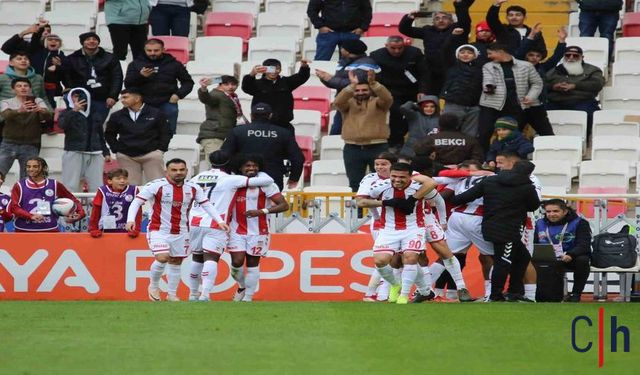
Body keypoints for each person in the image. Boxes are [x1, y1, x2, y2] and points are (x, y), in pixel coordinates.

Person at [125, 158, 230, 302]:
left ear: (186, 171)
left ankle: (172, 294)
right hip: (159, 229)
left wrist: (219, 221)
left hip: (181, 231)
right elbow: (137, 201)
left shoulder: (193, 188)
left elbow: (207, 205)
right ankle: (154, 285)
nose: (178, 173)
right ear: (166, 171)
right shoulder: (156, 186)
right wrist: (131, 219)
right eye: (174, 170)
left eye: (181, 170)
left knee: (176, 261)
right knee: (162, 257)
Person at [186, 150, 275, 302]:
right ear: (229, 164)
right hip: (216, 223)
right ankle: (205, 295)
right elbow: (267, 180)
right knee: (210, 259)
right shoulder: (230, 179)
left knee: (196, 258)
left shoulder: (196, 177)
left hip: (194, 221)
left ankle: (193, 294)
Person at [451, 159, 541, 301]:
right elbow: (533, 206)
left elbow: (465, 197)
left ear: (513, 167)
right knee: (503, 262)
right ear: (529, 173)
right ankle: (496, 295)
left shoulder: (490, 181)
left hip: (490, 225)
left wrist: (451, 198)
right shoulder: (527, 187)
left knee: (523, 257)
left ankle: (514, 292)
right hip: (509, 230)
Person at [357, 162, 438, 304]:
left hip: (413, 228)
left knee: (411, 257)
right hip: (388, 229)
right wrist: (386, 203)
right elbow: (361, 202)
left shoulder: (419, 187)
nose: (397, 180)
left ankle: (404, 295)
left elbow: (433, 187)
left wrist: (413, 199)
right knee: (380, 261)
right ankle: (397, 285)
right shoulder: (381, 186)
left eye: (402, 177)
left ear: (410, 177)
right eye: (394, 176)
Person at [227, 154, 289, 302]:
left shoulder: (266, 184)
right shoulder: (232, 183)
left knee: (253, 264)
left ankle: (248, 298)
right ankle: (242, 286)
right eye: (247, 166)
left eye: (254, 165)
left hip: (258, 231)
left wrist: (261, 211)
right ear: (240, 168)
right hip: (236, 230)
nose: (251, 168)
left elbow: (284, 205)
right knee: (237, 262)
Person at [437, 161, 495, 301]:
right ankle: (490, 293)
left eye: (470, 169)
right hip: (476, 218)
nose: (466, 171)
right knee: (490, 256)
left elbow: (442, 178)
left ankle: (427, 289)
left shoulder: (457, 179)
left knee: (448, 256)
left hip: (456, 218)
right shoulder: (491, 177)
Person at [221, 103, 304, 191]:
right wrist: (294, 178)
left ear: (251, 116)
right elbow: (298, 158)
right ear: (270, 115)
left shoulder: (237, 131)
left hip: (243, 178)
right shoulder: (283, 133)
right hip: (273, 179)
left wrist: (227, 174)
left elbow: (224, 156)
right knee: (273, 204)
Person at [495, 150, 542, 302]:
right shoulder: (504, 178)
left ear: (512, 163)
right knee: (512, 258)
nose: (498, 166)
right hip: (508, 221)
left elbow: (533, 203)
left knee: (525, 259)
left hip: (525, 222)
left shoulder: (532, 180)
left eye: (501, 163)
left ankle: (530, 296)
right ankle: (514, 293)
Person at [398, 0, 473, 94]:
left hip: (453, 70)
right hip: (432, 72)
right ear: (433, 22)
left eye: (444, 18)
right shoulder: (427, 30)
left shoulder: (457, 29)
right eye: (437, 19)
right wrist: (409, 18)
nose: (440, 20)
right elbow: (404, 29)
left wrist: (458, 5)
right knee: (432, 101)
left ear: (451, 21)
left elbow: (465, 20)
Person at [334, 70, 392, 192]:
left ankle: (381, 210)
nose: (361, 92)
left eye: (364, 90)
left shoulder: (378, 103)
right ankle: (358, 211)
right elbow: (338, 102)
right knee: (355, 183)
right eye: (357, 90)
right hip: (352, 148)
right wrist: (351, 86)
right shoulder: (347, 105)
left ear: (370, 91)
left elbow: (387, 98)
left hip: (378, 147)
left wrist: (374, 83)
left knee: (383, 182)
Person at [478, 42, 542, 153]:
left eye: (490, 53)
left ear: (500, 52)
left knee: (513, 135)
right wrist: (488, 87)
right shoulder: (488, 66)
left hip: (516, 106)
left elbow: (537, 83)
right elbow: (488, 80)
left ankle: (512, 158)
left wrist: (531, 96)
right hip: (491, 105)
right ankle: (483, 159)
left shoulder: (526, 66)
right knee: (484, 133)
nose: (488, 56)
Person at [124, 38, 194, 134]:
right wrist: (141, 76)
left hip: (167, 101)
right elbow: (128, 84)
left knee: (168, 133)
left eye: (156, 50)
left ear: (163, 50)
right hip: (143, 102)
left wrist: (178, 95)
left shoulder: (174, 64)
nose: (152, 53)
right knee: (141, 133)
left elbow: (188, 82)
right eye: (149, 50)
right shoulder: (135, 64)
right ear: (144, 50)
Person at [370, 36, 427, 150]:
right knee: (396, 113)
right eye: (393, 48)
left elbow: (424, 73)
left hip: (412, 89)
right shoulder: (376, 55)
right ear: (386, 46)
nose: (397, 51)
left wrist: (422, 90)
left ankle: (406, 137)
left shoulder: (414, 53)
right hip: (390, 90)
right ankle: (395, 142)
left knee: (414, 113)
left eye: (400, 48)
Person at [105, 88, 172, 185]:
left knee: (158, 186)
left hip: (151, 154)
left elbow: (166, 132)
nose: (122, 100)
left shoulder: (156, 113)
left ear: (137, 98)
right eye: (121, 97)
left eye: (125, 97)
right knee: (130, 189)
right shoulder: (117, 116)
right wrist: (117, 150)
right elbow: (109, 134)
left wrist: (160, 150)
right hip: (127, 156)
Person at [356, 151, 398, 302]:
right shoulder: (370, 179)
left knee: (394, 259)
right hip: (381, 223)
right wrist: (377, 216)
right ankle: (377, 293)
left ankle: (376, 293)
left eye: (384, 164)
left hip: (401, 223)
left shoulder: (403, 176)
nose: (380, 167)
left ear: (393, 165)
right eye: (377, 164)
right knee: (385, 259)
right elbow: (362, 200)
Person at [61, 32, 123, 134]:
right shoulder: (72, 58)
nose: (91, 41)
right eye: (88, 39)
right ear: (82, 42)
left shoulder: (110, 58)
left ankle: (95, 149)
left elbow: (117, 77)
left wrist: (113, 96)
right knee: (78, 127)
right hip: (80, 99)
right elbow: (67, 77)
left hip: (102, 99)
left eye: (94, 39)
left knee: (96, 128)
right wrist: (72, 93)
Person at [315, 39, 380, 135]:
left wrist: (329, 79)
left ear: (348, 51)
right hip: (344, 102)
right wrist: (324, 78)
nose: (341, 49)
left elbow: (351, 84)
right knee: (336, 133)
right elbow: (337, 83)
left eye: (342, 48)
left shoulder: (366, 65)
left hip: (360, 104)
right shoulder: (344, 62)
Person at [535, 199, 592, 302]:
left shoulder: (580, 223)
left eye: (555, 211)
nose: (551, 214)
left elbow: (584, 244)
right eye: (548, 212)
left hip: (571, 257)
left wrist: (571, 254)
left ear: (565, 211)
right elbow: (534, 243)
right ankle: (539, 295)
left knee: (583, 260)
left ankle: (575, 294)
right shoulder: (540, 223)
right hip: (548, 258)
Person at [8, 157, 85, 232]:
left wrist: (80, 213)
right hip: (24, 229)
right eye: (28, 167)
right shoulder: (19, 185)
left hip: (50, 229)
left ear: (44, 168)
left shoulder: (54, 184)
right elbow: (14, 207)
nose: (31, 169)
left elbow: (73, 199)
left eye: (35, 166)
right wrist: (31, 216)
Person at [544, 45, 605, 137]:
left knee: (589, 112)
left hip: (582, 101)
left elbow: (597, 84)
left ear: (582, 57)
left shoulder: (592, 70)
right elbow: (542, 85)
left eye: (575, 55)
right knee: (539, 113)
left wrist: (575, 86)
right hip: (556, 101)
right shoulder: (554, 71)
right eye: (568, 55)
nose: (571, 58)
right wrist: (553, 87)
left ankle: (585, 139)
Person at [58, 87, 111, 192]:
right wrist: (74, 111)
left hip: (95, 152)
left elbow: (100, 134)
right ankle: (70, 207)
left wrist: (105, 151)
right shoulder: (66, 112)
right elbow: (62, 125)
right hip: (74, 151)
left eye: (79, 96)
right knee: (70, 184)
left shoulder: (95, 114)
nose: (77, 98)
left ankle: (96, 207)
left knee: (96, 185)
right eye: (74, 96)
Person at [0, 78, 52, 178]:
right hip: (9, 143)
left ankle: (24, 194)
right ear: (13, 90)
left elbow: (48, 116)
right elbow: (5, 115)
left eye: (25, 86)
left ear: (30, 88)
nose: (23, 88)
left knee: (29, 177)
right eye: (19, 86)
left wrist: (41, 110)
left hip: (31, 144)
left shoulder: (38, 100)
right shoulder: (6, 102)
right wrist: (19, 110)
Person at [241, 58, 310, 134]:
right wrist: (252, 74)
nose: (274, 72)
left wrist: (304, 66)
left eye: (277, 69)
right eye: (271, 69)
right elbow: (246, 87)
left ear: (280, 70)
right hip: (261, 125)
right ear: (264, 69)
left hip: (283, 124)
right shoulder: (257, 84)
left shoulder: (286, 82)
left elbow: (301, 77)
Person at [306, 0, 372, 61]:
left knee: (350, 64)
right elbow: (311, 10)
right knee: (321, 61)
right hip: (329, 33)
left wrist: (362, 28)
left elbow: (367, 11)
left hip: (351, 33)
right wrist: (320, 26)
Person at [197, 75, 242, 159]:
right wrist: (203, 88)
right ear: (220, 85)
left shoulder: (232, 97)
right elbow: (206, 98)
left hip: (223, 135)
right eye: (227, 84)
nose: (231, 87)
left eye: (233, 84)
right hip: (213, 135)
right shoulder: (216, 94)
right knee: (214, 164)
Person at [414, 113, 484, 165]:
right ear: (457, 124)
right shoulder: (470, 140)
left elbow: (418, 151)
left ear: (440, 124)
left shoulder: (430, 139)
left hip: (436, 173)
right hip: (462, 174)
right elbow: (478, 159)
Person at [88, 168, 141, 237]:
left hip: (127, 230)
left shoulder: (133, 190)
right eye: (118, 179)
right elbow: (96, 211)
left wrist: (136, 229)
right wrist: (93, 229)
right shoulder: (102, 191)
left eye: (125, 178)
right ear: (110, 181)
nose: (122, 181)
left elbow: (138, 211)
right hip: (105, 231)